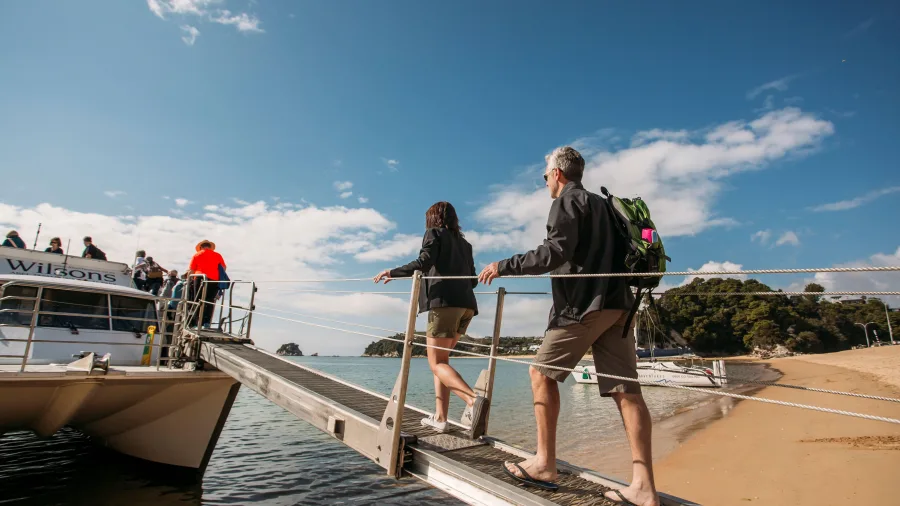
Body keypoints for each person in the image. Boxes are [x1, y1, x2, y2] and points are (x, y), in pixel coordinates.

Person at [478, 146, 659, 506]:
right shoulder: (606, 205)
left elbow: (553, 252)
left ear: (558, 174)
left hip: (584, 307)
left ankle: (545, 463)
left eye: (545, 175)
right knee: (627, 391)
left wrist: (504, 265)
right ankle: (644, 487)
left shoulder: (567, 201)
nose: (545, 181)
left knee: (541, 374)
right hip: (620, 305)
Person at [373, 202, 489, 439]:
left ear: (433, 218)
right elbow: (473, 280)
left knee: (436, 363)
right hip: (466, 306)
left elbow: (424, 262)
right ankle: (440, 418)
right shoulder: (465, 245)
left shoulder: (434, 233)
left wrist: (392, 272)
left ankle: (473, 401)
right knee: (442, 363)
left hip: (444, 304)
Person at [187, 240, 226, 328]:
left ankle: (197, 323)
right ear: (210, 247)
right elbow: (223, 268)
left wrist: (188, 281)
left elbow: (191, 270)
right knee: (210, 301)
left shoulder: (197, 255)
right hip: (214, 280)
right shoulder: (217, 255)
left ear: (201, 247)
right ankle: (206, 323)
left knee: (198, 300)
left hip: (200, 278)